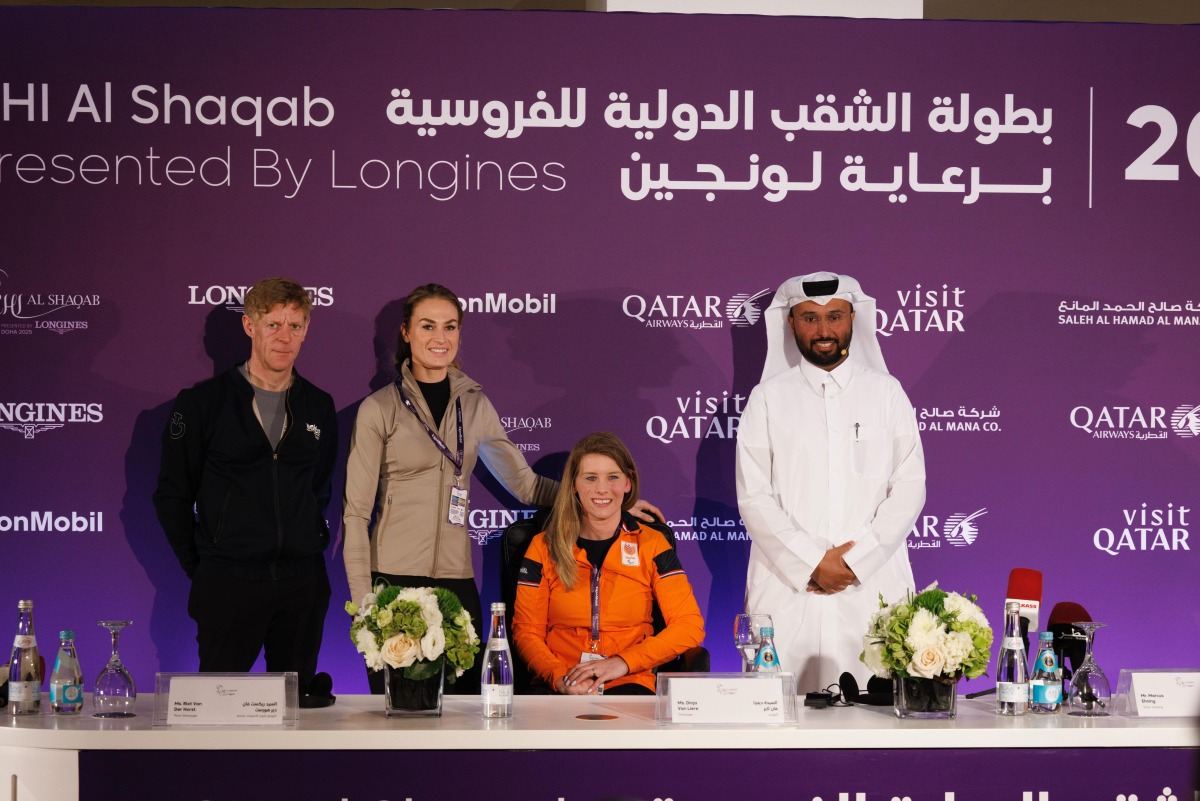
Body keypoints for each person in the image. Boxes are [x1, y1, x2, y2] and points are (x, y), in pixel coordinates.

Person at [736, 272, 925, 692]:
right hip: (789, 588)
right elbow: (753, 495)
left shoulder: (887, 394)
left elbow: (910, 486)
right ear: (791, 324)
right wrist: (811, 561)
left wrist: (854, 563)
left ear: (853, 318)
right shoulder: (767, 399)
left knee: (877, 714)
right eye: (809, 319)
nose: (824, 331)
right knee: (780, 713)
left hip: (871, 585)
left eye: (834, 317)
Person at [154, 277, 337, 706]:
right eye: (273, 324)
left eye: (295, 325)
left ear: (307, 329)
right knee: (218, 715)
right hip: (228, 583)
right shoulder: (202, 403)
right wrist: (204, 564)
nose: (284, 336)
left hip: (302, 585)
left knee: (296, 714)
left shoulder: (319, 404)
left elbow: (318, 489)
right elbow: (172, 495)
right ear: (249, 326)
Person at [512, 432, 705, 695]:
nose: (602, 489)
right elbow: (527, 632)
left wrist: (622, 663)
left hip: (629, 682)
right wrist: (558, 677)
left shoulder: (652, 544)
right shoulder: (543, 546)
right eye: (590, 478)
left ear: (628, 482)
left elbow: (689, 626)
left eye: (612, 477)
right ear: (573, 485)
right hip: (561, 684)